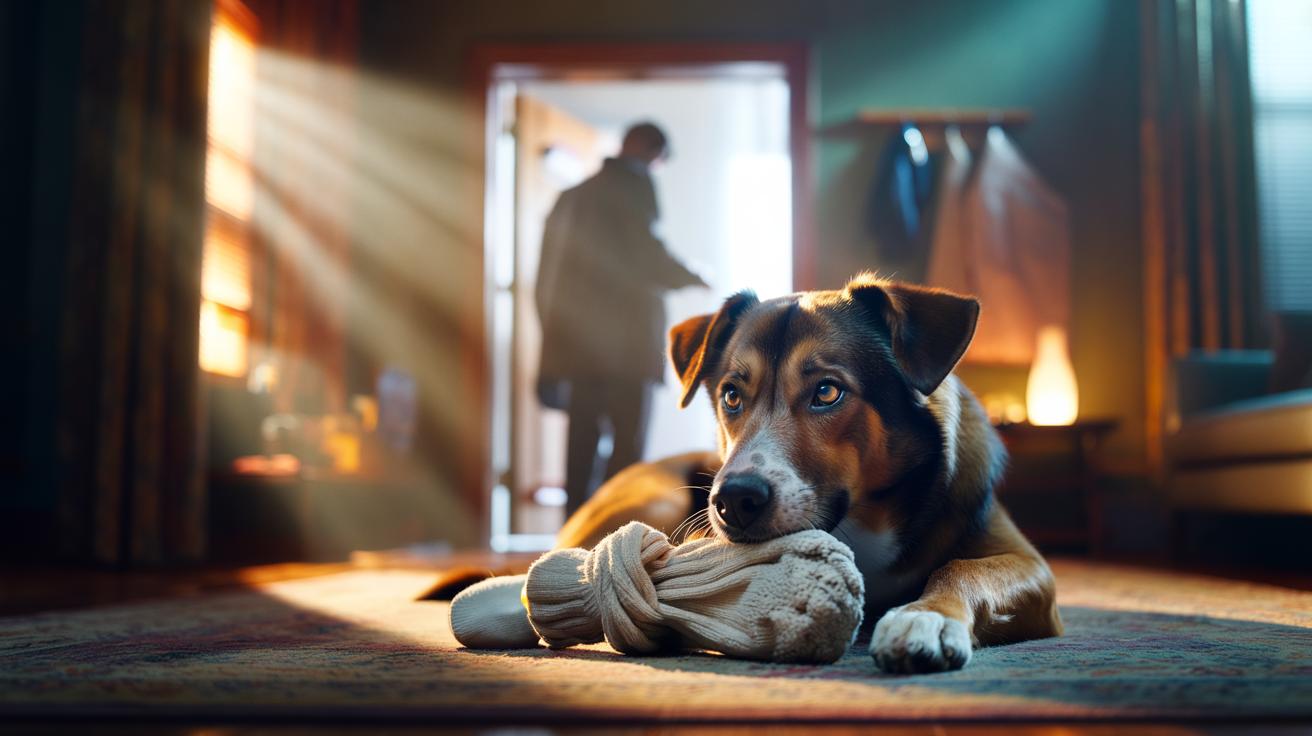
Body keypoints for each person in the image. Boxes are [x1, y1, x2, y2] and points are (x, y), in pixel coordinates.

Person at [536, 122, 706, 516]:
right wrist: (694, 276)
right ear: (650, 150)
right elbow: (647, 256)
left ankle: (574, 532)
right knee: (627, 446)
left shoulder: (572, 197)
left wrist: (552, 346)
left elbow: (545, 279)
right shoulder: (635, 186)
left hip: (577, 345)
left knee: (580, 442)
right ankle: (614, 530)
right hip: (629, 346)